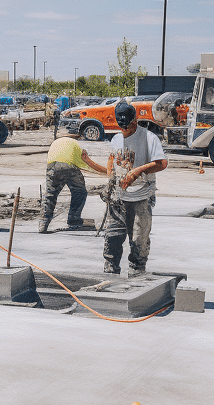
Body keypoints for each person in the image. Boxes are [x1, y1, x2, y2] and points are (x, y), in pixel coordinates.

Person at [103, 103, 168, 276]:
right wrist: (111, 177)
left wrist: (137, 171)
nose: (126, 130)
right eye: (122, 127)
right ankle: (110, 272)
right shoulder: (116, 139)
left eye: (129, 126)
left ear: (135, 120)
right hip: (118, 199)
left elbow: (162, 163)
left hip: (140, 198)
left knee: (139, 240)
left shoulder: (149, 138)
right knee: (112, 237)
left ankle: (137, 274)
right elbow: (112, 160)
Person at [38, 136, 108, 233]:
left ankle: (43, 223)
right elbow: (87, 163)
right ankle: (73, 220)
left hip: (52, 166)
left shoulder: (58, 143)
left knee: (51, 194)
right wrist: (107, 172)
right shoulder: (78, 146)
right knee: (80, 192)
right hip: (70, 166)